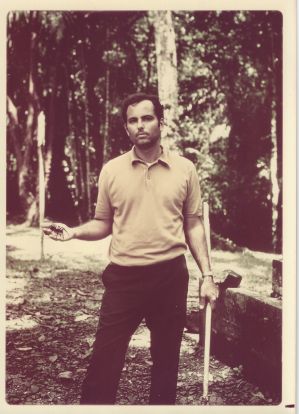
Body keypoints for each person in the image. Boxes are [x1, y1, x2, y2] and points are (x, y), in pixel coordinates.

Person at [42, 92, 219, 405]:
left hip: (170, 277)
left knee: (166, 363)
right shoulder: (112, 171)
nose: (140, 125)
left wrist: (207, 275)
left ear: (160, 122)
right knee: (104, 362)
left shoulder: (185, 169)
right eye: (133, 120)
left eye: (147, 118)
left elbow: (193, 224)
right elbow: (102, 223)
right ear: (126, 128)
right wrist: (73, 233)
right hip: (123, 278)